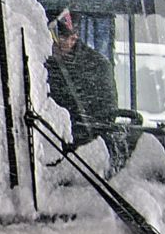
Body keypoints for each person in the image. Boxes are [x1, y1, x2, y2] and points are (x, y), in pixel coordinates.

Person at [45, 8, 119, 153]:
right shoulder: (31, 58)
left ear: (74, 38)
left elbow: (106, 120)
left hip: (82, 156)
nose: (53, 42)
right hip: (41, 145)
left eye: (59, 37)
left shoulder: (97, 67)